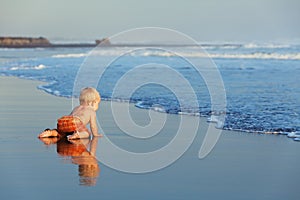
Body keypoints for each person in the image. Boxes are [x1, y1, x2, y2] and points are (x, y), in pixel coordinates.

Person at [38, 87, 103, 140]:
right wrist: (95, 134)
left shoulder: (76, 108)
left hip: (63, 121)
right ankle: (77, 135)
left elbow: (70, 118)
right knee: (87, 133)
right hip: (76, 122)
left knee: (61, 133)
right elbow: (93, 126)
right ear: (92, 103)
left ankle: (51, 132)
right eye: (97, 103)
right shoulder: (91, 110)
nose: (98, 106)